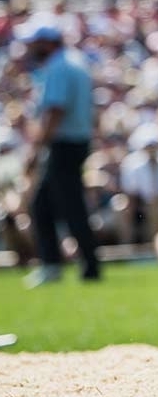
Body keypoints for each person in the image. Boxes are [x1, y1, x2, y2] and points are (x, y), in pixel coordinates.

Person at [16, 15, 102, 286]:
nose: (30, 47)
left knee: (66, 206)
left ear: (47, 42)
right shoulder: (74, 62)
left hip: (64, 145)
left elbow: (54, 111)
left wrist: (35, 149)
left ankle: (81, 265)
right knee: (47, 204)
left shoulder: (59, 67)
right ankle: (67, 264)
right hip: (75, 143)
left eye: (34, 41)